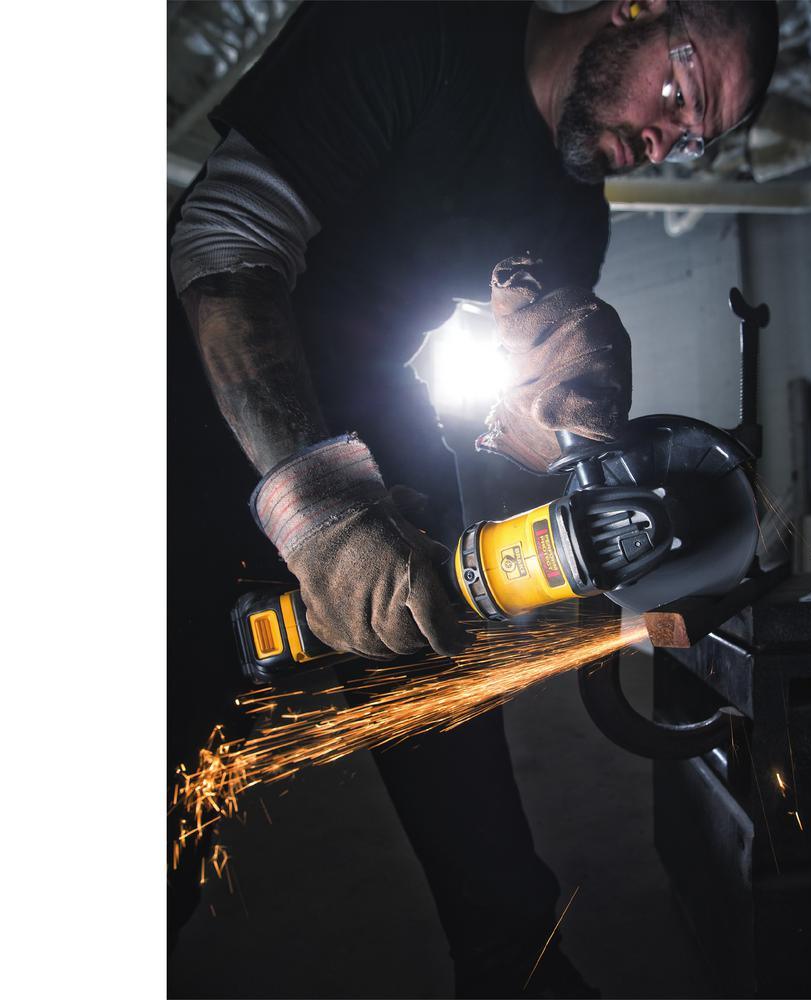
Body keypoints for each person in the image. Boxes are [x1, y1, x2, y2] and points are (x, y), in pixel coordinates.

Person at [167, 2, 779, 995]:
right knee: (172, 800)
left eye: (693, 139)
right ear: (634, 7)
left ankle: (516, 970)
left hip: (380, 432)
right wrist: (317, 509)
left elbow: (517, 404)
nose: (667, 141)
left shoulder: (575, 213)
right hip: (193, 419)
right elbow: (222, 244)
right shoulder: (422, 28)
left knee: (456, 742)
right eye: (681, 93)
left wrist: (569, 416)